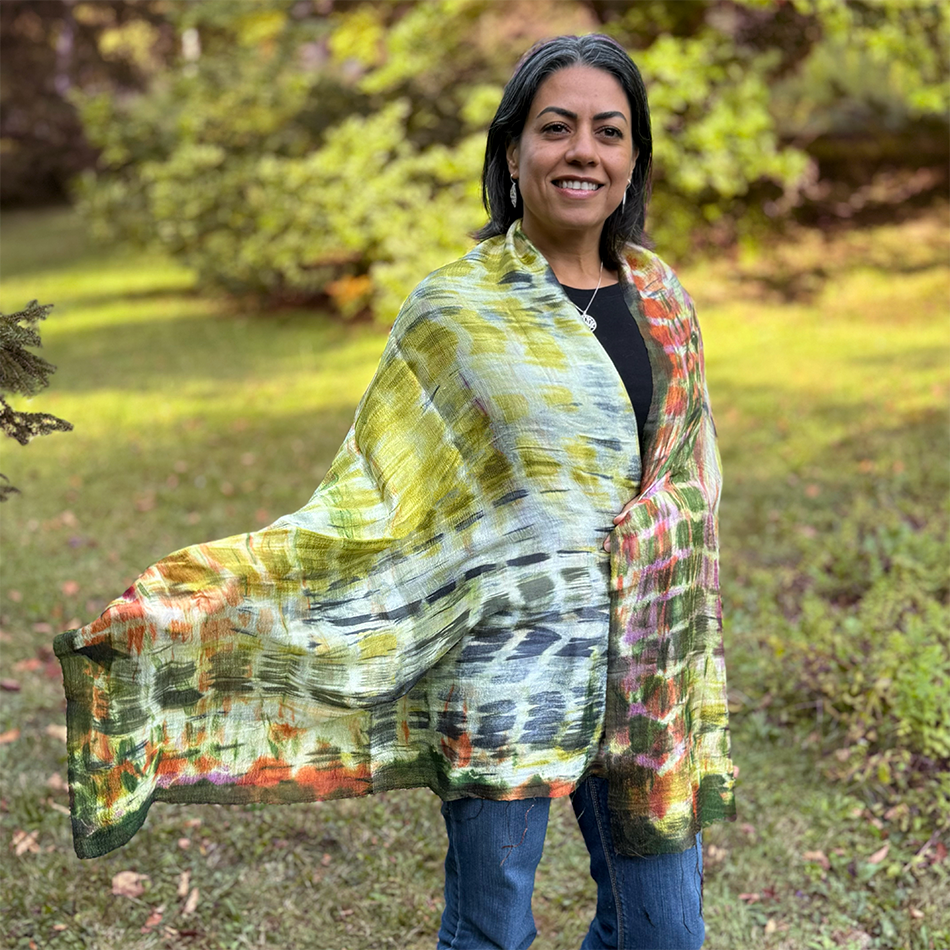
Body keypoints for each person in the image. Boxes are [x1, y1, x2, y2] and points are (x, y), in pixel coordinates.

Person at [54, 33, 735, 950]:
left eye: (609, 133)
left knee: (665, 933)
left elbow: (693, 471)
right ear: (512, 153)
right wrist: (197, 600)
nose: (583, 151)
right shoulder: (454, 310)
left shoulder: (664, 300)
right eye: (556, 128)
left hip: (651, 654)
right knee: (492, 931)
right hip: (506, 670)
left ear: (633, 160)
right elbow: (372, 496)